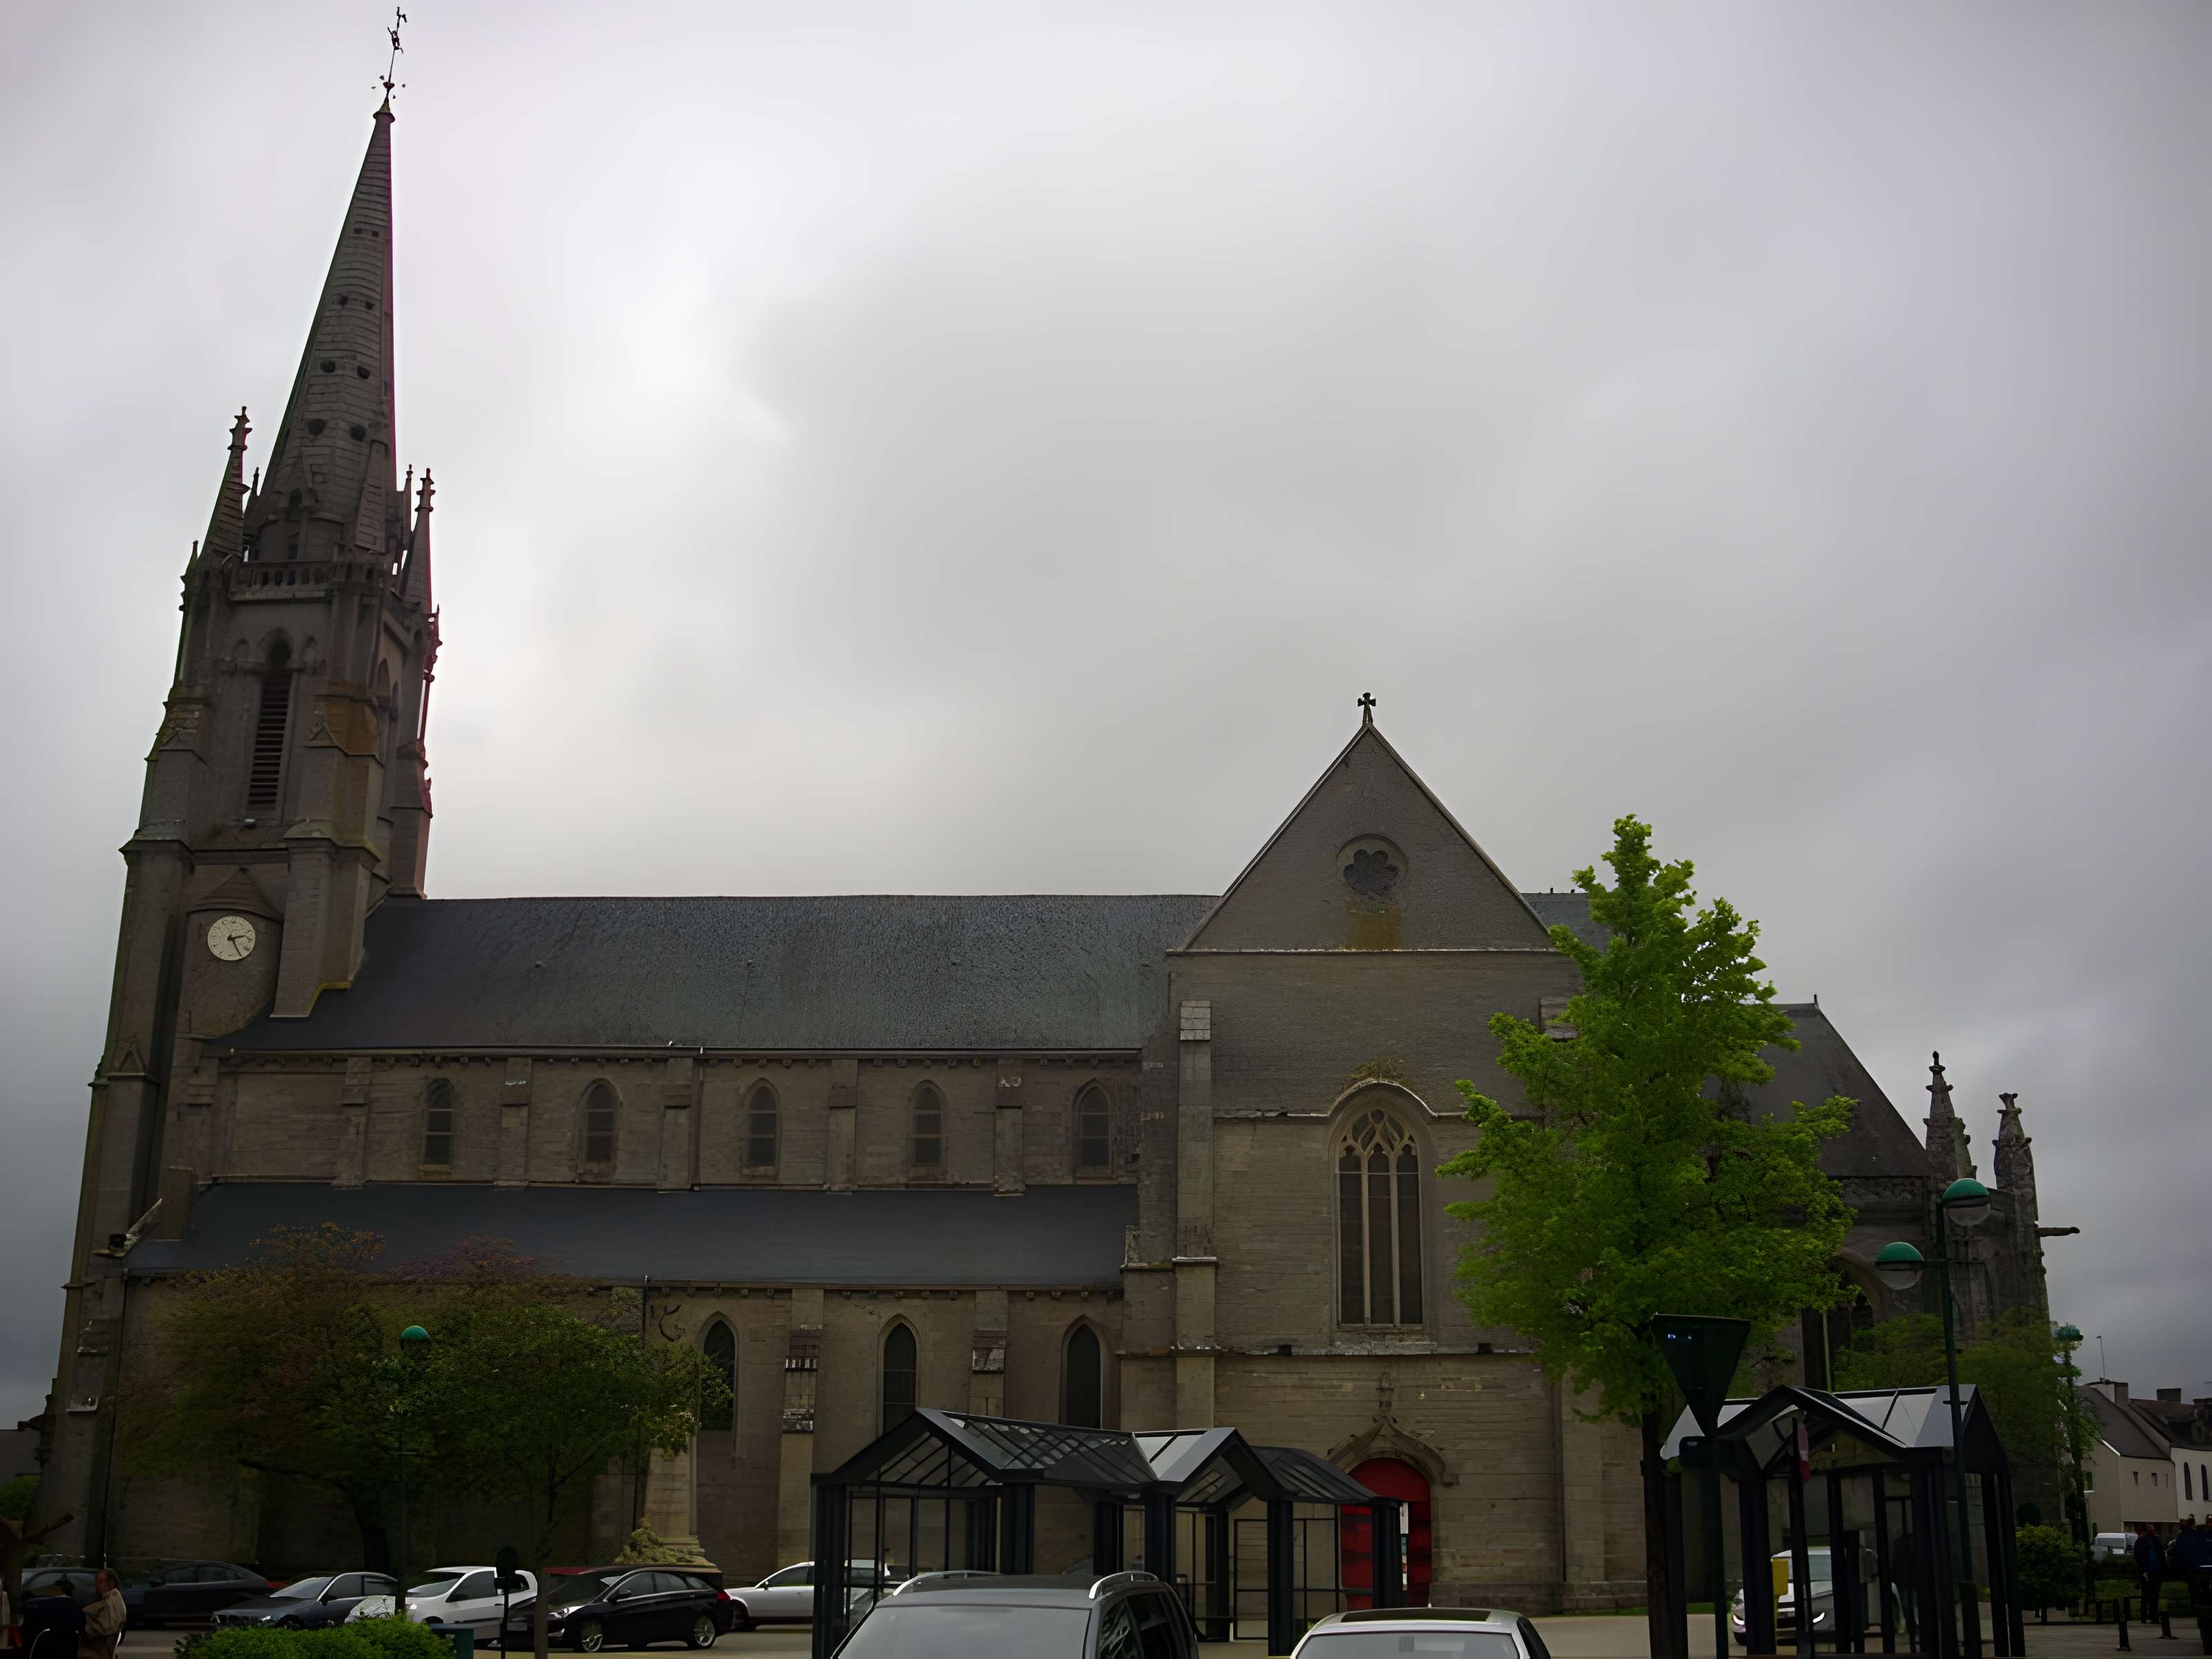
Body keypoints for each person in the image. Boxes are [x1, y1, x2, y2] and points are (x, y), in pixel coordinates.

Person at [76, 1573, 122, 1659]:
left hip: (100, 1651)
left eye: (101, 1582)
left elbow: (105, 1629)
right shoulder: (113, 1598)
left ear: (111, 1583)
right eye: (97, 1582)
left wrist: (86, 1630)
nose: (97, 1585)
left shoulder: (110, 1603)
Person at [2136, 1524, 2168, 1622]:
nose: (2153, 1532)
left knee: (2150, 1594)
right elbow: (2141, 1557)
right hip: (2150, 1571)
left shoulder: (2148, 1541)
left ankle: (2148, 1615)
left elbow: (2139, 1557)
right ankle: (2150, 1615)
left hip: (2152, 1571)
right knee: (2150, 1594)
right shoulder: (2149, 1541)